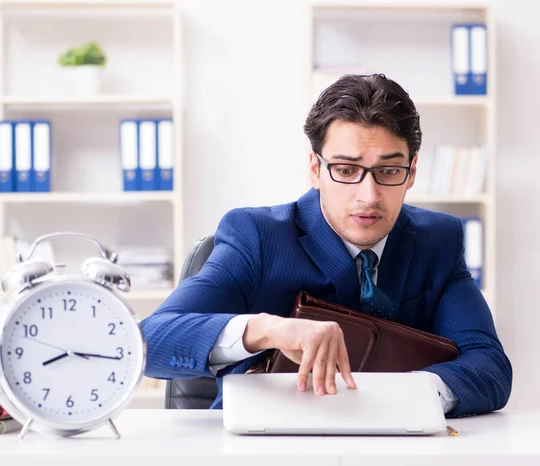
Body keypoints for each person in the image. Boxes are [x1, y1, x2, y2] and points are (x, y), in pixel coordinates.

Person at [141, 74, 512, 417]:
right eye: (346, 171)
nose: (368, 196)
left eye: (388, 171)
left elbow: (489, 366)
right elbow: (144, 343)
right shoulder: (256, 235)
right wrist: (267, 330)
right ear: (315, 170)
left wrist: (408, 394)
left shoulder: (439, 240)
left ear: (411, 172)